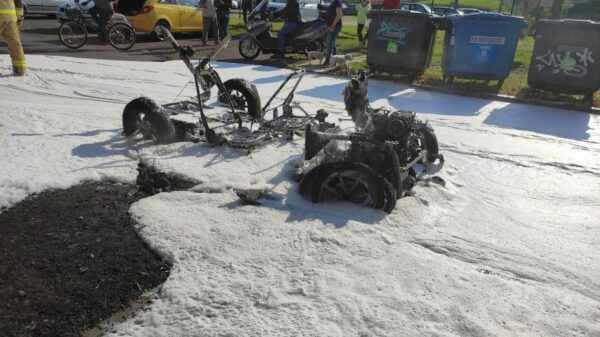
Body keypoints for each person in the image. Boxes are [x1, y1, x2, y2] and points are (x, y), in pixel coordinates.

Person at [0, 0, 26, 76]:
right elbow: (18, 2)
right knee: (15, 43)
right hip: (10, 17)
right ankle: (20, 69)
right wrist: (20, 17)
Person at [323, 0, 342, 66]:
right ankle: (334, 61)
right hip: (331, 26)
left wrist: (332, 25)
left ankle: (328, 61)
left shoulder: (337, 2)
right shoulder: (332, 3)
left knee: (329, 43)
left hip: (335, 26)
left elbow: (339, 15)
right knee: (332, 43)